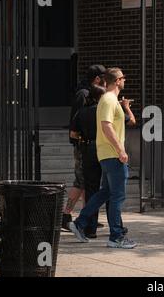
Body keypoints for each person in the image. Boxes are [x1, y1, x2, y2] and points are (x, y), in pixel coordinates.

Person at [69, 68, 137, 249]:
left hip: (108, 154)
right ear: (116, 81)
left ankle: (79, 223)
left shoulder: (109, 100)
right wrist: (120, 150)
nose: (125, 80)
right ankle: (116, 236)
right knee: (117, 196)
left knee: (105, 193)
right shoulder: (108, 99)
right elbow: (106, 126)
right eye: (123, 78)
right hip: (113, 155)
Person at [62, 64, 106, 230]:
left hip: (84, 144)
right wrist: (81, 140)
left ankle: (86, 216)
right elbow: (78, 122)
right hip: (83, 145)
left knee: (85, 182)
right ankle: (67, 215)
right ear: (96, 79)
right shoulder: (84, 94)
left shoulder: (87, 93)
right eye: (104, 78)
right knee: (81, 181)